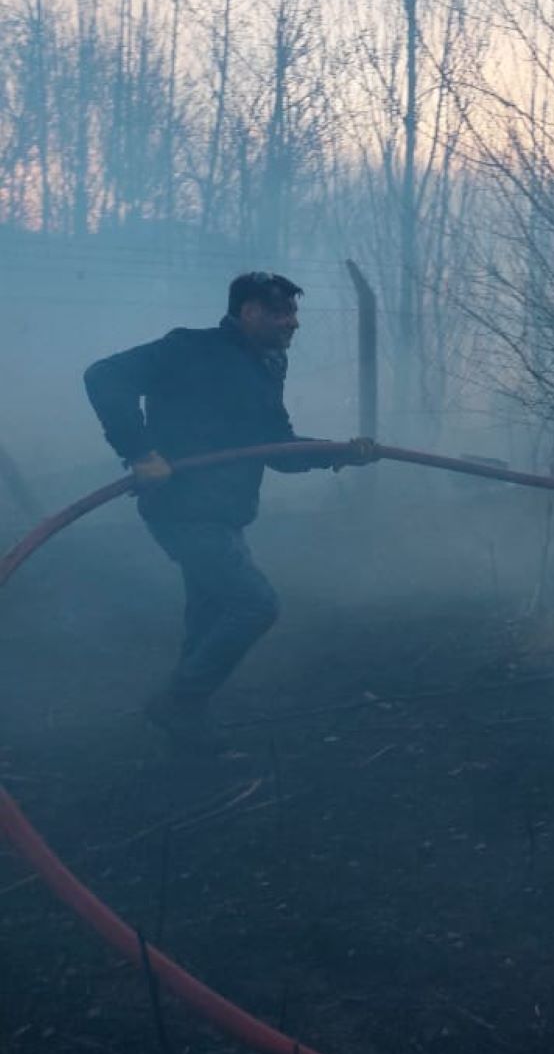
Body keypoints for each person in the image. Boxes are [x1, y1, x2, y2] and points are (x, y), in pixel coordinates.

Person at [84, 273, 377, 753]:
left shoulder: (267, 363)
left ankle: (184, 724)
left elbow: (275, 449)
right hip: (182, 509)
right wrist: (138, 450)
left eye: (294, 313)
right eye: (283, 312)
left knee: (210, 613)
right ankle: (180, 701)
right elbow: (102, 376)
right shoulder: (188, 350)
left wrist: (340, 451)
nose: (294, 323)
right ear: (249, 312)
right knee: (253, 605)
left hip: (224, 512)